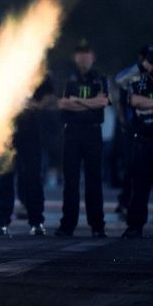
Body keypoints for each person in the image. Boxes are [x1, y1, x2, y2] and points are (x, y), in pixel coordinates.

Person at [55, 41, 109, 238]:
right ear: (75, 57)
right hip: (72, 132)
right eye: (80, 54)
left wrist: (77, 102)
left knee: (94, 180)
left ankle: (97, 225)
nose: (83, 57)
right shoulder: (67, 78)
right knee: (71, 181)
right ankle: (67, 224)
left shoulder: (100, 78)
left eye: (87, 53)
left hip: (93, 132)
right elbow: (62, 103)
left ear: (92, 56)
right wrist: (90, 104)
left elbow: (103, 101)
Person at [0, 76, 55, 236]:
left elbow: (50, 94)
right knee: (5, 177)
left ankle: (37, 222)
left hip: (31, 132)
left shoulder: (37, 66)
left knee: (33, 177)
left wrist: (38, 105)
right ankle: (1, 221)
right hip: (7, 131)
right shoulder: (3, 67)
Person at [113, 44, 153, 218]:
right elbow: (131, 98)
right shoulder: (137, 78)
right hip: (139, 133)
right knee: (136, 175)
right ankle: (132, 219)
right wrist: (141, 67)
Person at [122, 49, 153, 238]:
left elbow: (142, 103)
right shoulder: (137, 81)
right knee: (139, 186)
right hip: (144, 140)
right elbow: (134, 101)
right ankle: (135, 225)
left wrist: (147, 102)